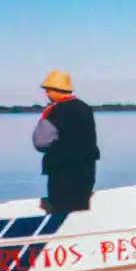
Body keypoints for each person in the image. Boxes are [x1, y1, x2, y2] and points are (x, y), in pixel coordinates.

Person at [32, 70, 100, 213]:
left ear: (58, 90)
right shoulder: (85, 108)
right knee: (80, 209)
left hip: (62, 171)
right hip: (87, 170)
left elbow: (41, 142)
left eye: (48, 90)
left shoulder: (55, 111)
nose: (46, 94)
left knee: (61, 210)